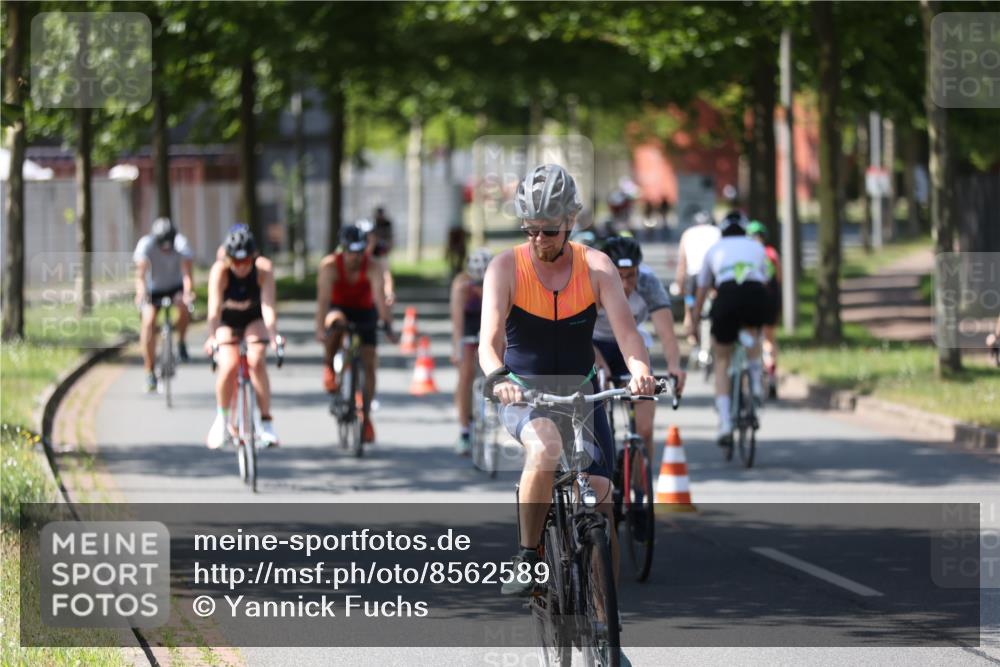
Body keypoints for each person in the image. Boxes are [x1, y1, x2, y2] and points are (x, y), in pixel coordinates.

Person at [479, 164, 654, 667]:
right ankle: (529, 557)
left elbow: (626, 332)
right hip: (525, 393)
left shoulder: (596, 266)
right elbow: (490, 341)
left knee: (602, 500)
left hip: (580, 394)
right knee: (546, 450)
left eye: (548, 231)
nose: (538, 240)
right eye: (529, 230)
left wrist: (639, 368)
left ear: (572, 221)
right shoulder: (505, 268)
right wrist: (499, 378)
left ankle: (606, 626)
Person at [593, 236, 687, 465]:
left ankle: (639, 491)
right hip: (594, 345)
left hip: (631, 346)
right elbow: (577, 332)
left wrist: (674, 365)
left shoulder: (648, 283)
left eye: (631, 275)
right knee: (595, 422)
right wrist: (598, 363)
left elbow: (666, 333)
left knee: (644, 429)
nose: (625, 284)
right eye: (620, 276)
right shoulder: (594, 281)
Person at [691, 211, 770, 445]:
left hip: (727, 296)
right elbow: (764, 280)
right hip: (755, 294)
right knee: (751, 334)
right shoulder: (756, 247)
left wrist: (695, 319)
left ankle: (725, 421)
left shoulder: (715, 249)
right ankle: (755, 383)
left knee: (722, 359)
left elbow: (702, 288)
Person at [316, 222, 397, 444]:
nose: (356, 257)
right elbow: (323, 301)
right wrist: (319, 329)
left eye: (360, 251)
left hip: (364, 311)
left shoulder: (372, 266)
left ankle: (366, 416)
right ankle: (329, 365)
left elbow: (380, 299)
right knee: (336, 323)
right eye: (351, 252)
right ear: (342, 249)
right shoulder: (330, 265)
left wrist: (387, 325)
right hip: (338, 308)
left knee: (369, 361)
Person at [203, 225, 282, 448]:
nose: (241, 267)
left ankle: (266, 423)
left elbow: (268, 307)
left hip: (253, 319)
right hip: (228, 321)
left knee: (256, 360)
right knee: (229, 364)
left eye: (246, 261)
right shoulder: (220, 272)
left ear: (253, 257)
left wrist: (274, 336)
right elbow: (214, 310)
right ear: (228, 259)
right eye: (236, 262)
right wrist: (212, 337)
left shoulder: (263, 270)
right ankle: (222, 419)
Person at [134, 217, 194, 393]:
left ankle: (182, 342)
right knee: (148, 322)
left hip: (175, 286)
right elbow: (140, 274)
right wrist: (141, 293)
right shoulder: (146, 245)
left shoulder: (181, 244)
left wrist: (188, 293)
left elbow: (186, 274)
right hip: (154, 289)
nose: (167, 248)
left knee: (184, 307)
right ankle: (149, 370)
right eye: (163, 245)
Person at [450, 248, 492, 455]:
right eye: (477, 282)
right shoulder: (461, 285)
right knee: (465, 373)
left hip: (489, 321)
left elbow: (504, 318)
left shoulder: (497, 280)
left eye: (483, 282)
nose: (479, 287)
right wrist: (457, 349)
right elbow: (457, 324)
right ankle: (464, 431)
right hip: (469, 323)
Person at [674, 210, 720, 345]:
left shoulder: (688, 233)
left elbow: (682, 263)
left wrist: (680, 284)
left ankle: (691, 332)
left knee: (690, 305)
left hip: (694, 276)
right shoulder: (717, 231)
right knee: (717, 302)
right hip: (713, 276)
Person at [747, 220, 782, 396]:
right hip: (771, 300)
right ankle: (771, 371)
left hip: (753, 301)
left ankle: (753, 375)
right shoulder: (772, 253)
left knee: (750, 336)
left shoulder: (748, 255)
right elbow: (779, 279)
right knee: (769, 339)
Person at [370, 207, 396, 306]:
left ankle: (388, 294)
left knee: (386, 274)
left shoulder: (387, 224)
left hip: (381, 254)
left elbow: (390, 238)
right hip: (373, 255)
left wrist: (389, 293)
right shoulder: (372, 224)